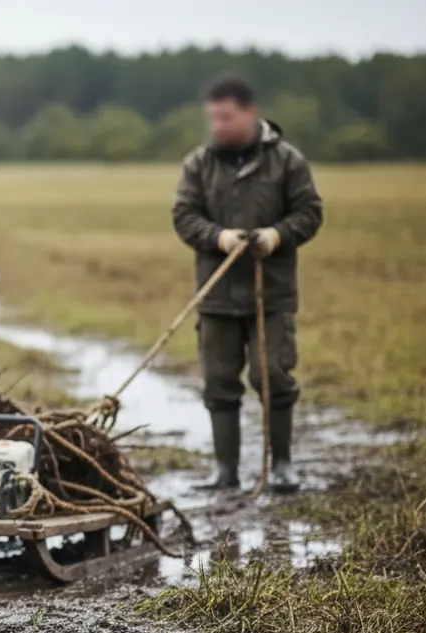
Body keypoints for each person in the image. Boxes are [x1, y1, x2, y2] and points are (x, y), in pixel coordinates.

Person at [173, 75, 323, 494]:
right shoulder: (198, 164)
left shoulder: (287, 161)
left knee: (273, 375)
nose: (217, 126)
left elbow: (309, 212)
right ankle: (225, 471)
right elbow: (184, 216)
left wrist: (277, 236)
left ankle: (283, 466)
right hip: (216, 295)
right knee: (218, 382)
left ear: (248, 113)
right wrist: (218, 237)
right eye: (212, 118)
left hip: (271, 294)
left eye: (225, 117)